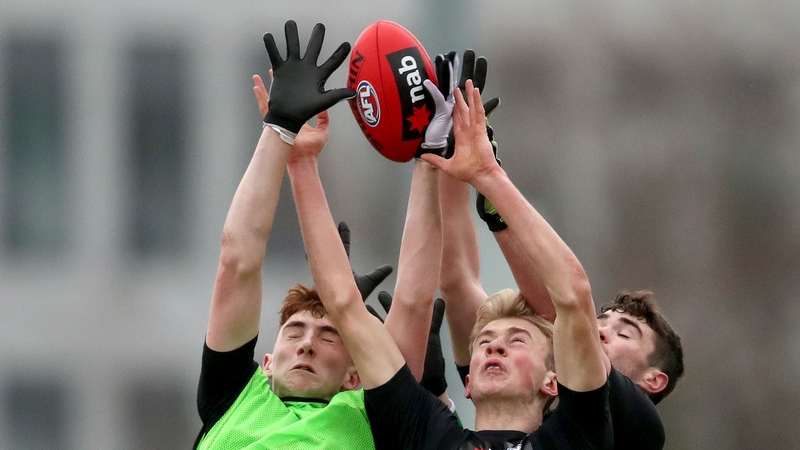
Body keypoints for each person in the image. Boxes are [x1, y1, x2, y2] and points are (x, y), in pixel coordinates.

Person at [292, 62, 613, 450]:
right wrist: (302, 162)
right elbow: (344, 305)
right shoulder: (428, 431)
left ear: (552, 380)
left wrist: (489, 176)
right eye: (485, 342)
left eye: (517, 341)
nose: (495, 347)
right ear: (468, 381)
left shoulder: (577, 436)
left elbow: (573, 295)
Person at [439, 70, 684, 450]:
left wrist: (493, 193)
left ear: (653, 380)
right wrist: (445, 150)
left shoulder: (640, 428)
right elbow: (457, 282)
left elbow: (566, 310)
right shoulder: (520, 380)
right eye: (603, 321)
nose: (601, 331)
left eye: (623, 334)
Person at [194, 20, 391, 449]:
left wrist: (354, 314)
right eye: (295, 332)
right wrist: (280, 128)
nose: (306, 346)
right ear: (266, 362)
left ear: (356, 376)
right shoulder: (233, 400)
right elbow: (237, 259)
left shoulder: (371, 418)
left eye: (328, 337)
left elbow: (412, 307)